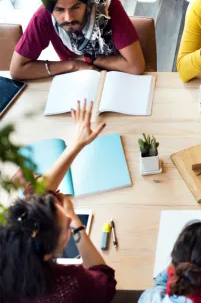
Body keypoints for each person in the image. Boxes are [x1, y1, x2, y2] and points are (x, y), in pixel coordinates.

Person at [0, 100, 116, 303]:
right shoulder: (68, 284)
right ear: (50, 253)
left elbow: (37, 204)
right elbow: (105, 281)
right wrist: (77, 223)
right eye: (67, 229)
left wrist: (77, 144)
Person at [10, 0, 145, 80]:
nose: (68, 18)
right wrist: (73, 65)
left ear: (86, 3)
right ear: (51, 10)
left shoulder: (107, 8)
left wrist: (89, 58)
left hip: (119, 77)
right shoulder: (44, 17)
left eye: (75, 7)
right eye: (59, 9)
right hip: (78, 78)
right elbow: (17, 70)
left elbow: (136, 66)